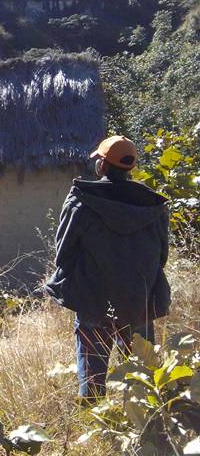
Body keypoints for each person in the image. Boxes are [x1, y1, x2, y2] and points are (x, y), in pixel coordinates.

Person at [44, 135, 171, 401]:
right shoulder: (152, 206)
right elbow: (161, 257)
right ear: (130, 167)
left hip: (93, 302)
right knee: (142, 383)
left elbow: (63, 256)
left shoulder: (81, 201)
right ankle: (142, 423)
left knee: (92, 385)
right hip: (140, 303)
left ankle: (96, 423)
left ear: (102, 165)